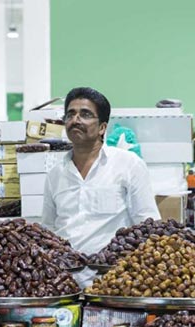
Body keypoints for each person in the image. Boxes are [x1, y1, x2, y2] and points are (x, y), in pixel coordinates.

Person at [42, 87, 160, 255]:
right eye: (70, 114)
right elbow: (48, 229)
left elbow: (148, 224)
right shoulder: (55, 174)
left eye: (85, 114)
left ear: (102, 128)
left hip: (112, 275)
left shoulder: (129, 165)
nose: (75, 120)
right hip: (66, 275)